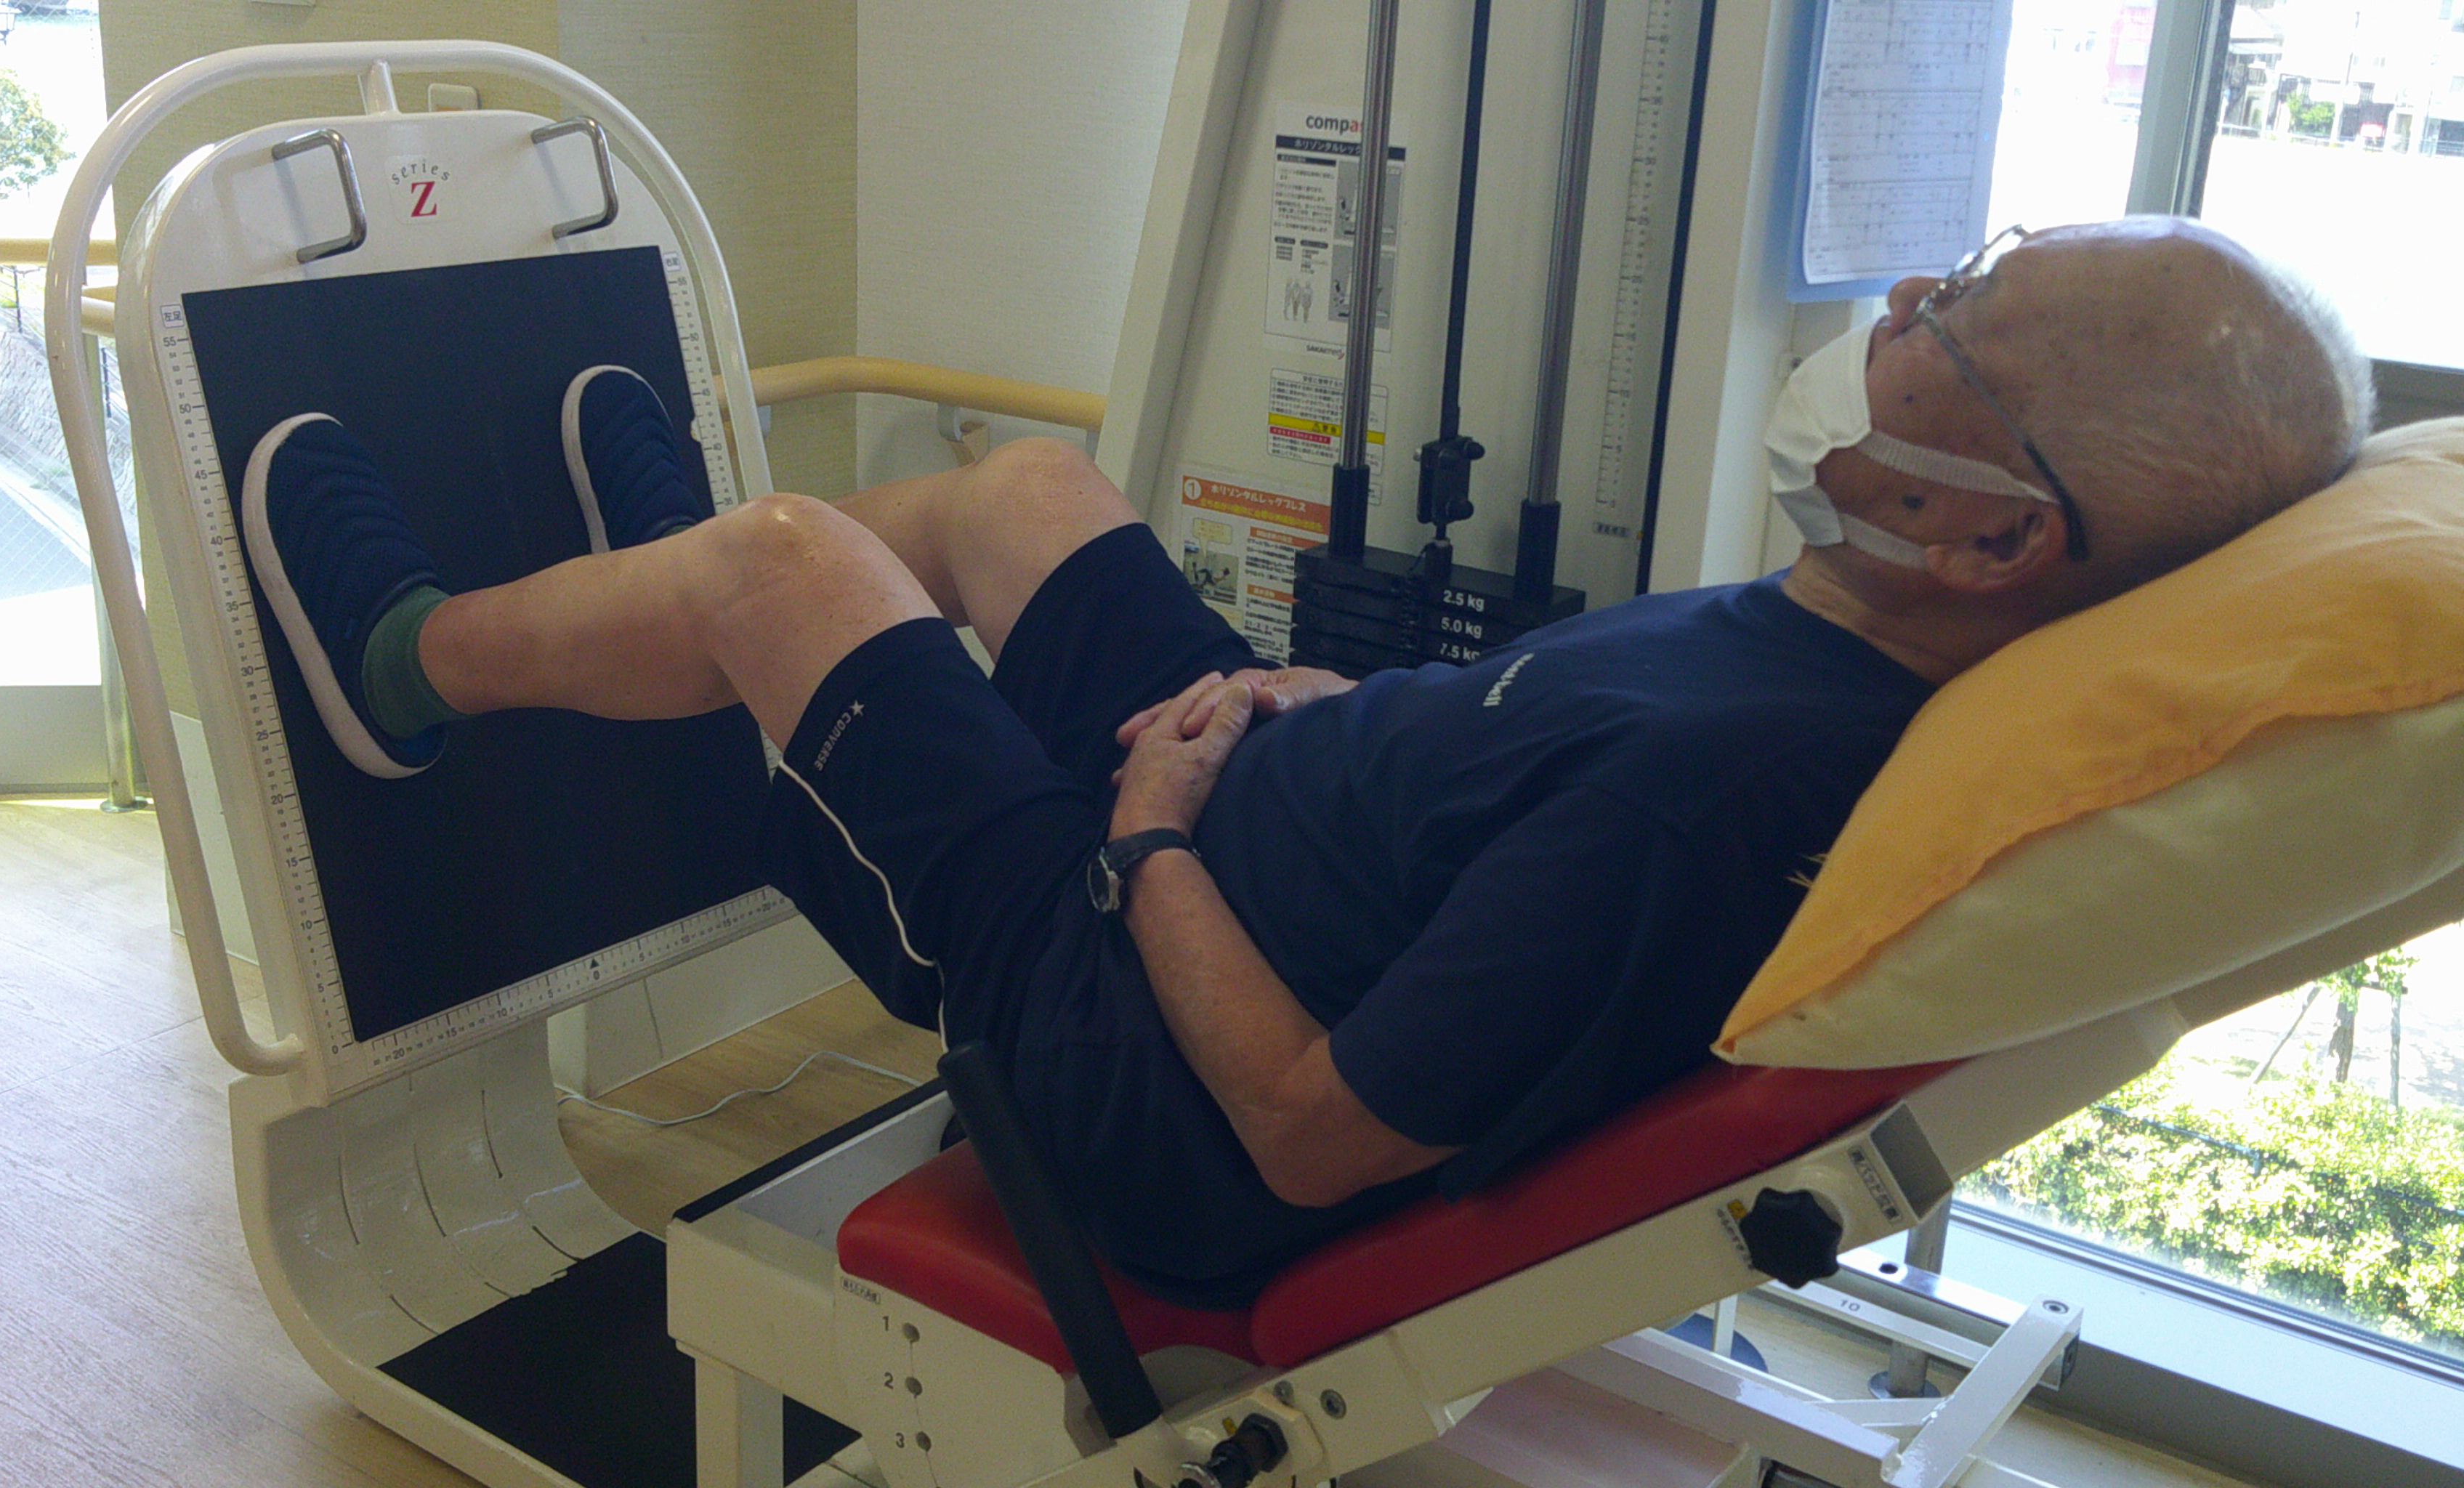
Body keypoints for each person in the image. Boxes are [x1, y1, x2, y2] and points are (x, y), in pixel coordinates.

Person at [241, 217, 2369, 1306]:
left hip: (1135, 1056)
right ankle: (675, 600)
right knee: (1020, 491)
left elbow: (1309, 1139)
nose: (1901, 306)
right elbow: (1526, 777)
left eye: (1958, 317)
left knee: (787, 562)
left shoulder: (1713, 796)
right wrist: (1355, 720)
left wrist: (1151, 839)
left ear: (1994, 540)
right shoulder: (1829, 636)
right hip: (1253, 821)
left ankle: (412, 662)